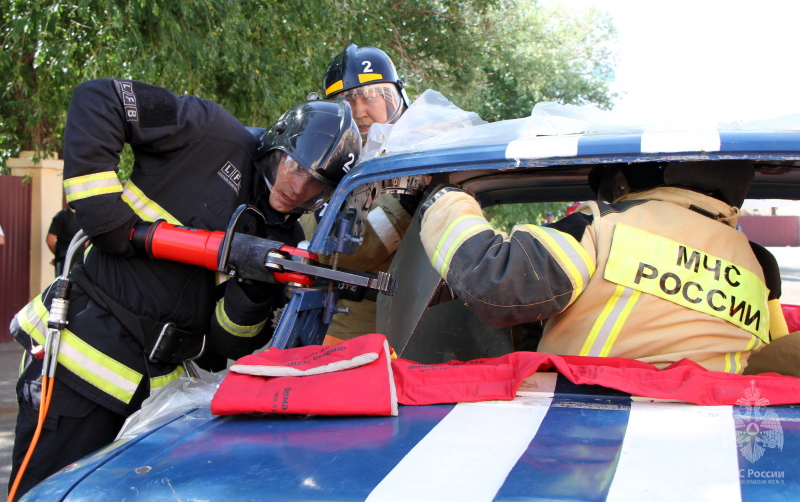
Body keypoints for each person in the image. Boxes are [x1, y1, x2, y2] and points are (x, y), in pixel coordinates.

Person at [7, 78, 360, 500]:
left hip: (154, 408)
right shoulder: (210, 133)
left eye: (316, 183)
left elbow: (226, 344)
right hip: (77, 373)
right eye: (297, 166)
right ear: (279, 143)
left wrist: (253, 289)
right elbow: (101, 97)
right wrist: (103, 213)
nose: (298, 187)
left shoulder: (281, 234)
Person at [418, 160, 789, 374]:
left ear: (629, 177)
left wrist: (443, 200)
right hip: (712, 427)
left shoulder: (606, 224)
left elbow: (496, 283)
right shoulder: (760, 264)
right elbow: (775, 354)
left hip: (593, 420)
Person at [303, 44, 415, 345]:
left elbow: (348, 250)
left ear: (397, 95)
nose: (360, 111)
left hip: (375, 323)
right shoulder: (333, 159)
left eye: (371, 96)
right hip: (328, 316)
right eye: (347, 101)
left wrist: (405, 202)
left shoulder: (417, 154)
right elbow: (309, 237)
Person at [47, 205, 81, 276]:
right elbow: (50, 240)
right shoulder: (61, 216)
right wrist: (58, 254)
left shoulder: (83, 216)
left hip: (78, 261)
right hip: (64, 261)